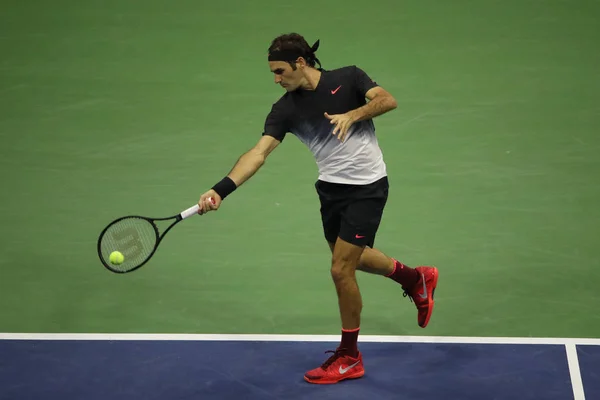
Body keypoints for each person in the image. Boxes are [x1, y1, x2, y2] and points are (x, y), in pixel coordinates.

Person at [197, 33, 439, 385]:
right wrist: (221, 190)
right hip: (330, 190)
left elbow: (387, 100)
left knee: (341, 270)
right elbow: (258, 153)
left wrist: (352, 115)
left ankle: (349, 357)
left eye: (280, 71)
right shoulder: (286, 109)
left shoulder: (348, 78)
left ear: (300, 62)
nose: (276, 80)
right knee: (353, 258)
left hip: (367, 187)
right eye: (273, 74)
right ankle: (416, 278)